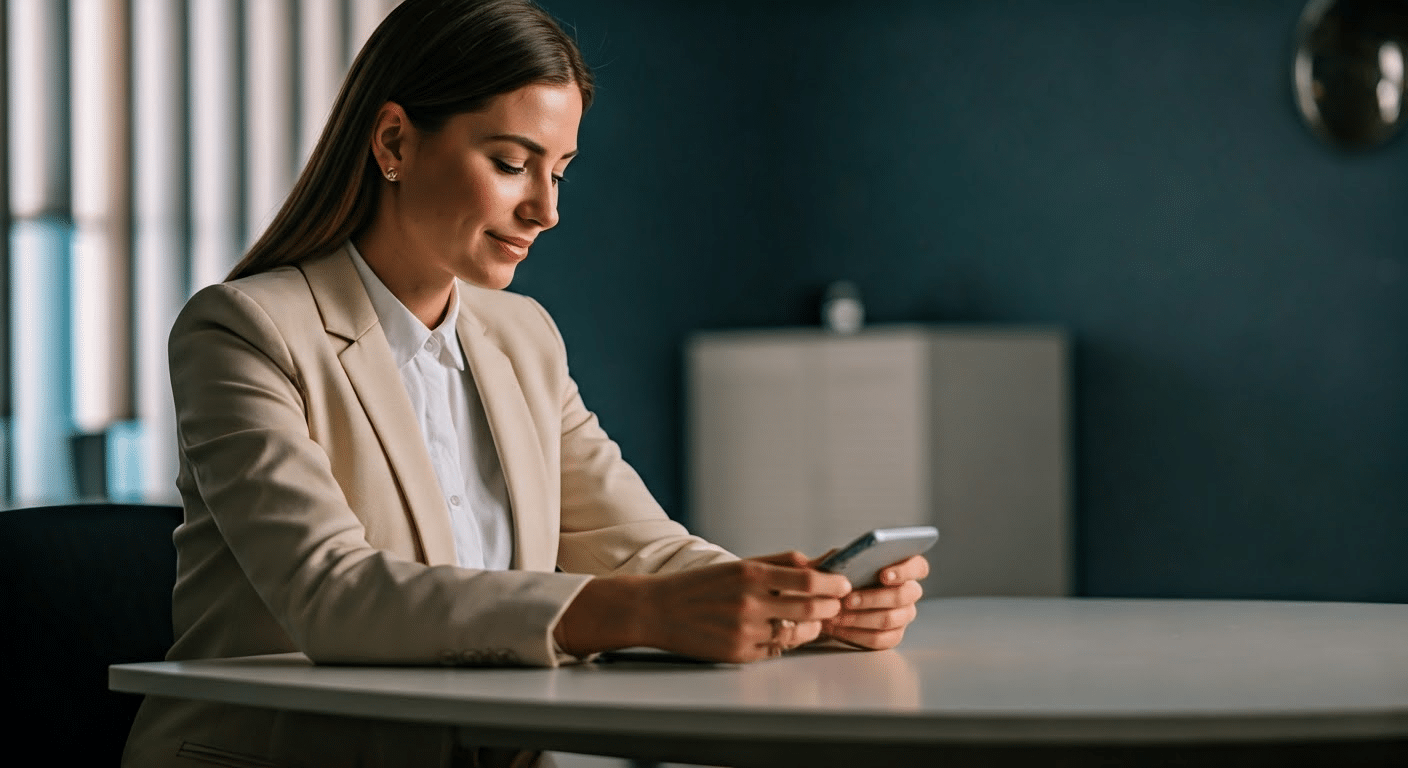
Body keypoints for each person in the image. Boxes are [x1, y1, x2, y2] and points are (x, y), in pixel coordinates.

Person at [123, 1, 928, 766]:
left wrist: (794, 604)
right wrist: (641, 612)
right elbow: (333, 593)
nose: (545, 209)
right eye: (511, 164)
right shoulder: (242, 330)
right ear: (395, 143)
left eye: (561, 171)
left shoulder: (523, 338)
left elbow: (638, 548)